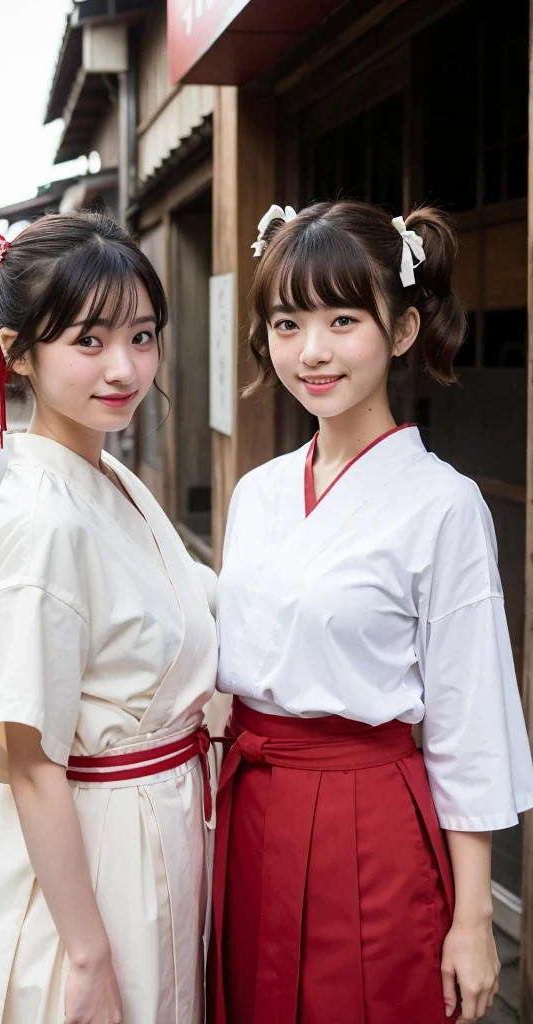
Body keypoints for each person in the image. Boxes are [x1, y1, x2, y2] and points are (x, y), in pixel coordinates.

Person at [209, 200, 533, 1024]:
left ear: (401, 331)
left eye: (343, 318)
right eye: (287, 322)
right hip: (249, 813)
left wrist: (472, 919)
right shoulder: (258, 492)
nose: (311, 351)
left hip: (367, 819)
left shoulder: (444, 505)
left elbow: (468, 724)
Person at [0, 212, 218, 1024]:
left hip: (151, 824)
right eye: (88, 341)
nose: (124, 368)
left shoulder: (110, 481)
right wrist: (89, 955)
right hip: (99, 857)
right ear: (18, 353)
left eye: (142, 335)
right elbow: (31, 760)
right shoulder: (47, 523)